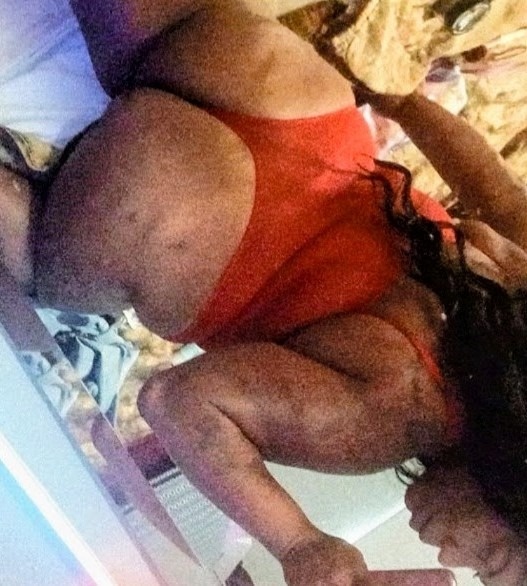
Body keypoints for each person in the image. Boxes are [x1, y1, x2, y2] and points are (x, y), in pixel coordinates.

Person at [6, 0, 524, 583]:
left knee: (142, 32)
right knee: (37, 281)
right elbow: (178, 399)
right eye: (490, 559)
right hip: (172, 211)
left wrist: (397, 101)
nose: (451, 559)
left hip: (280, 95)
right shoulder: (395, 420)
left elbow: (500, 197)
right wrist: (299, 542)